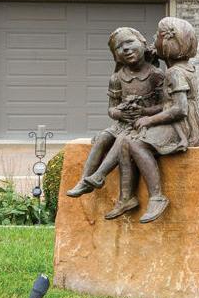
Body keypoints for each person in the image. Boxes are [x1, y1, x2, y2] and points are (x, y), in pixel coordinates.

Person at [64, 26, 171, 220]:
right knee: (103, 137)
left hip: (144, 124)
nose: (126, 49)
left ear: (143, 44)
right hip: (123, 123)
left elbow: (165, 106)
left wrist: (144, 112)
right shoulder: (116, 78)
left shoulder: (156, 75)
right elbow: (111, 109)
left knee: (123, 140)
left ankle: (100, 176)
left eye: (129, 42)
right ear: (116, 55)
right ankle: (84, 180)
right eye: (119, 47)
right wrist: (120, 113)